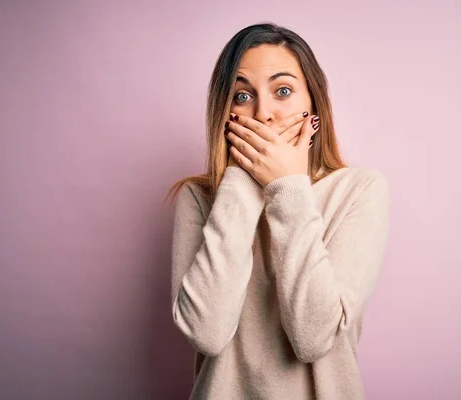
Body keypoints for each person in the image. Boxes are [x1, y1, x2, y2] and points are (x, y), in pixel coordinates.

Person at [165, 22, 390, 399]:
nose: (263, 113)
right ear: (224, 112)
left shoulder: (360, 191)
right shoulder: (198, 197)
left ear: (313, 105)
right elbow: (207, 331)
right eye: (241, 96)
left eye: (282, 91)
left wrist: (287, 188)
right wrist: (241, 182)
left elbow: (313, 338)